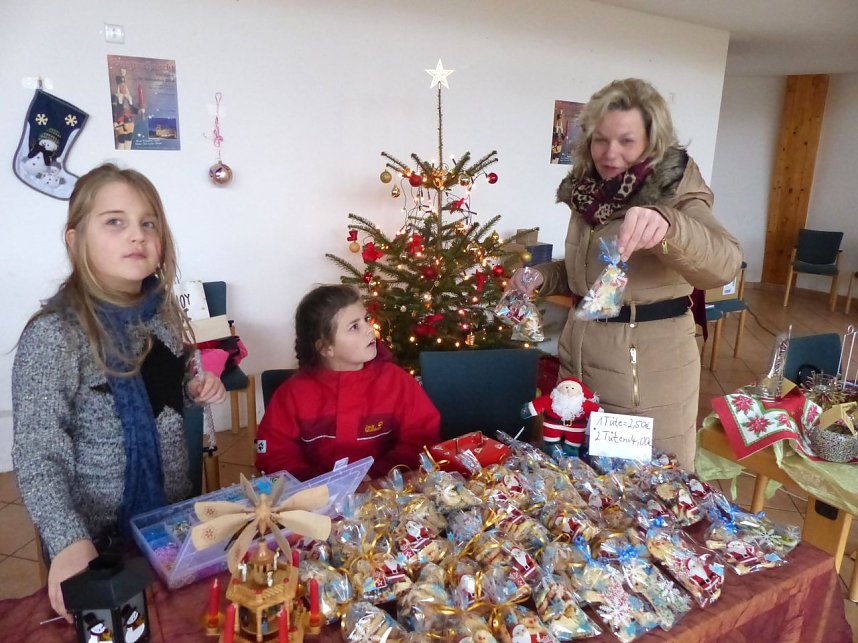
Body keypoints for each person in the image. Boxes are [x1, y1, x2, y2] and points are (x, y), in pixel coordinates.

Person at [11, 163, 226, 621]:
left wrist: (192, 388)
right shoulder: (55, 336)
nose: (137, 235)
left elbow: (164, 394)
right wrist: (69, 540)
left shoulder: (162, 316)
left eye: (149, 223)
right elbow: (38, 451)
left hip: (168, 524)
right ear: (75, 240)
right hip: (94, 543)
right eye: (115, 222)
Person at [512, 78, 741, 470]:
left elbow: (724, 263)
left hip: (645, 373)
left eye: (626, 141)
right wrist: (541, 277)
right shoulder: (588, 190)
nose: (610, 153)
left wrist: (668, 226)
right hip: (580, 361)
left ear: (653, 140)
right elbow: (588, 275)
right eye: (600, 139)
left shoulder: (677, 187)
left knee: (647, 491)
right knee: (579, 481)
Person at [256, 284, 440, 480]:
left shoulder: (397, 382)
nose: (370, 330)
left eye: (366, 320)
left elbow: (421, 438)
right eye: (354, 326)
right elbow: (275, 454)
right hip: (315, 501)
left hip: (386, 495)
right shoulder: (292, 394)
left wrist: (377, 475)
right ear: (326, 347)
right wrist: (323, 483)